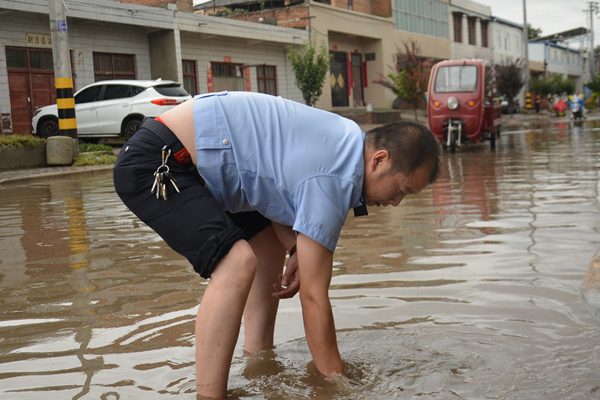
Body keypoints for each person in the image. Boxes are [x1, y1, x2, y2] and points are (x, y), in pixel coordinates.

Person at [113, 91, 441, 399]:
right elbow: (313, 297)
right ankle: (209, 395)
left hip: (199, 166)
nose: (397, 202)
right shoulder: (338, 176)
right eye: (402, 189)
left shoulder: (343, 139)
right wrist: (339, 384)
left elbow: (276, 186)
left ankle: (259, 366)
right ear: (379, 161)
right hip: (159, 162)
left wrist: (296, 248)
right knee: (237, 263)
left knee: (268, 243)